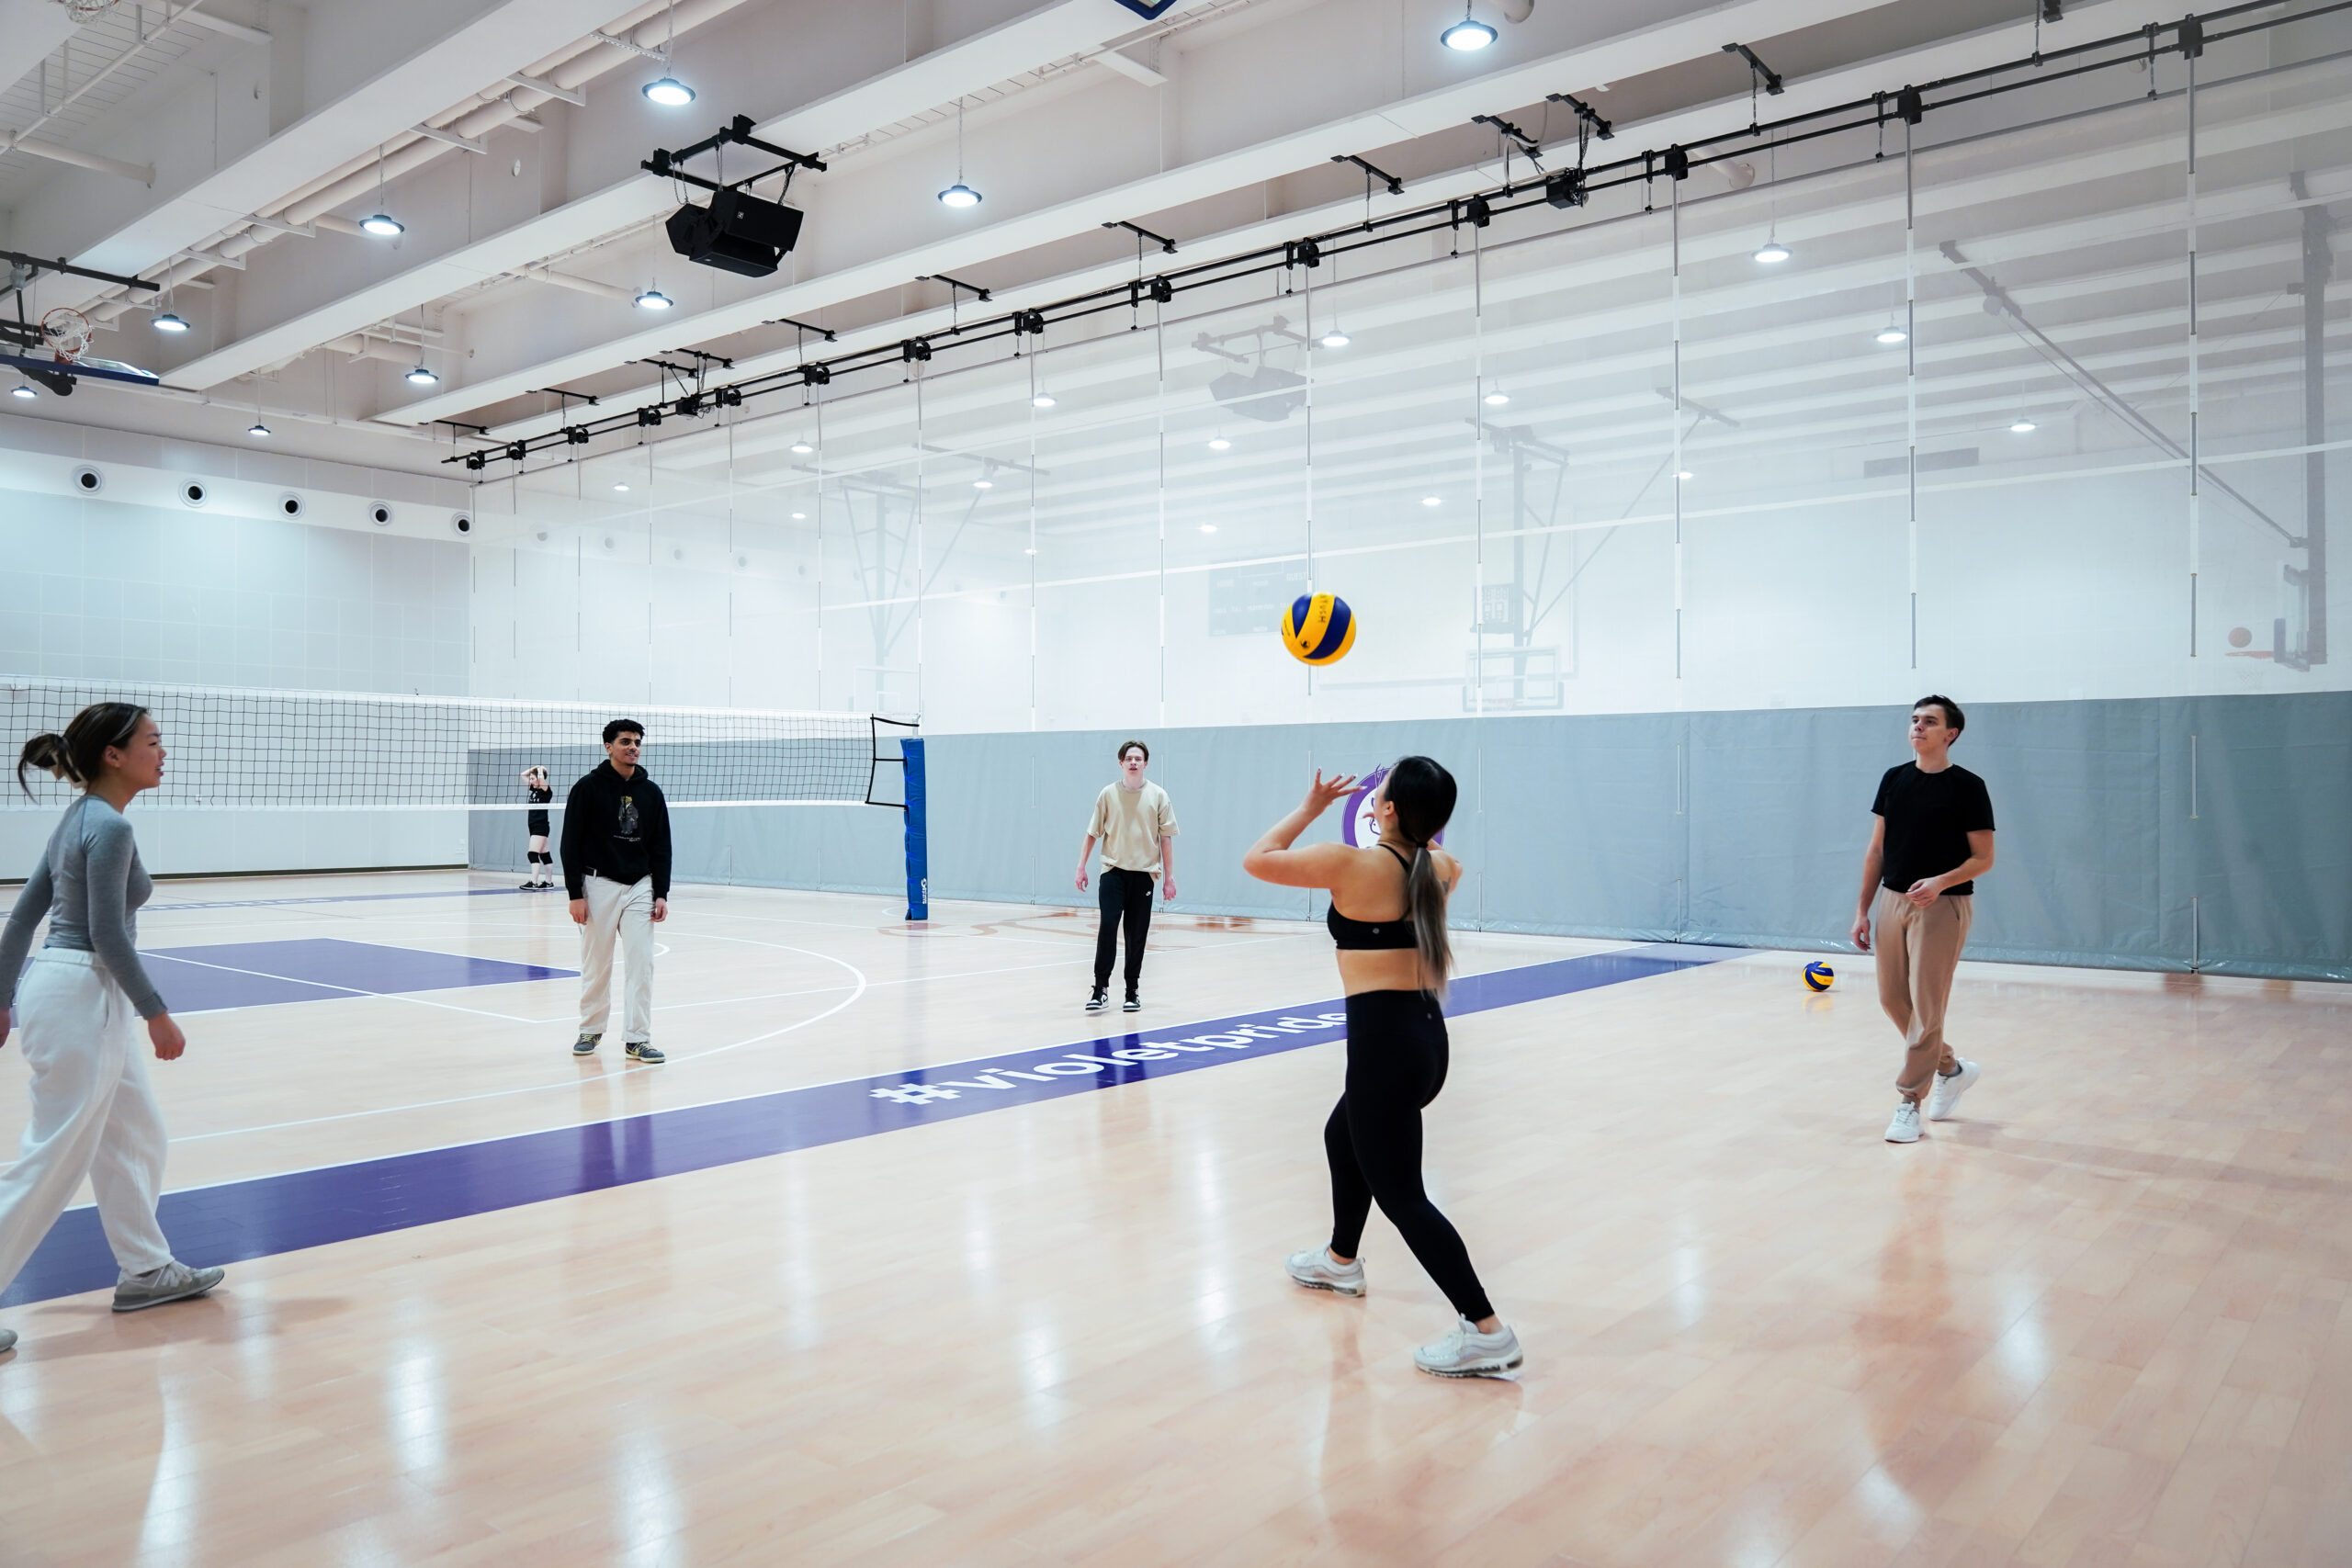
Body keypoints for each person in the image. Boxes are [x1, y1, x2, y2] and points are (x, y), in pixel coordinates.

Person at [1243, 756, 1522, 1379]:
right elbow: (1420, 863)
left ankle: (1487, 1330)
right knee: (1342, 1134)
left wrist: (1311, 808)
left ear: (1390, 809)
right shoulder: (1441, 867)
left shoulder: (1351, 864)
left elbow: (1258, 857)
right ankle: (1341, 1259)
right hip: (1426, 1040)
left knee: (1404, 1196)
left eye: (1381, 792)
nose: (1373, 796)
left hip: (1384, 1049)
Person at [0, 703, 225, 1357]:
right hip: (83, 993)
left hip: (70, 991)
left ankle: (146, 1268)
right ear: (113, 755)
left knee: (136, 1133)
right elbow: (104, 933)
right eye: (153, 742)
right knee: (51, 1158)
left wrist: (5, 995)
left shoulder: (79, 819)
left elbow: (19, 923)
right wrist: (156, 1010)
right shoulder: (108, 826)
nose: (164, 752)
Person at [1850, 695, 1996, 1145]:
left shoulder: (1968, 787)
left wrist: (1940, 881)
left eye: (1929, 722)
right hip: (1892, 902)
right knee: (1893, 999)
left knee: (1927, 1006)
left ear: (1950, 733)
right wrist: (1862, 909)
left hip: (1942, 907)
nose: (1918, 727)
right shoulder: (1894, 780)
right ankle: (1951, 1068)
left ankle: (1909, 1102)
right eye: (1915, 720)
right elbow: (1876, 850)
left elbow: (1984, 858)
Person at [561, 719, 672, 1065]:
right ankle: (590, 1028)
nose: (633, 747)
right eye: (626, 741)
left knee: (642, 964)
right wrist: (574, 893)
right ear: (608, 746)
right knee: (597, 964)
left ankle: (638, 1039)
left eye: (637, 741)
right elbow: (570, 843)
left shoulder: (651, 792)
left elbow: (662, 845)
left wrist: (661, 891)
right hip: (597, 886)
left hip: (640, 886)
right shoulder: (587, 788)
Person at [1073, 739, 1178, 1014]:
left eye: (1138, 758)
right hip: (1113, 872)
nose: (1133, 762)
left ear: (1145, 763)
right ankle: (1100, 989)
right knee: (1108, 926)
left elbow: (1165, 839)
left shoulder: (1158, 795)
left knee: (1136, 934)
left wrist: (1169, 878)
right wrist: (1081, 866)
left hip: (1144, 874)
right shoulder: (1108, 794)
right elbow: (1092, 833)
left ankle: (1132, 991)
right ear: (1121, 763)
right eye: (1128, 758)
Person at [519, 765, 555, 889]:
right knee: (545, 855)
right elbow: (522, 774)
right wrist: (535, 767)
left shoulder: (546, 791)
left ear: (540, 779)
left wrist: (540, 770)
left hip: (541, 826)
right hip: (534, 826)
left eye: (533, 778)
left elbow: (541, 779)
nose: (531, 781)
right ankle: (549, 883)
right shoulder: (533, 790)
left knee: (532, 854)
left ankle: (533, 882)